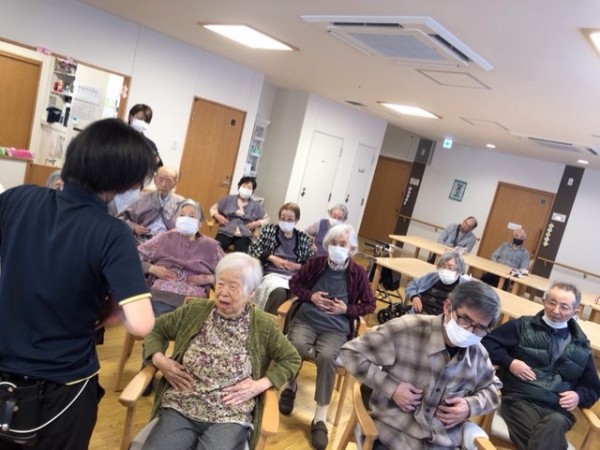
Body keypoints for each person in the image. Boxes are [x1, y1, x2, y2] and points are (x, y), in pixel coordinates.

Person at [0, 118, 156, 450]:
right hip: (62, 386)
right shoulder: (113, 233)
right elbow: (141, 324)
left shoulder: (17, 198)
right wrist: (115, 309)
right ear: (120, 180)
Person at [140, 252, 301, 450]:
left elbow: (291, 359)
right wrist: (159, 360)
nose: (223, 292)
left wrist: (260, 384)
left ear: (251, 292)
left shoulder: (263, 325)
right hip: (181, 404)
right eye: (220, 283)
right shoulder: (194, 310)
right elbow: (154, 329)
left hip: (230, 415)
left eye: (233, 287)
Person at [340, 280, 503, 450]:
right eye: (465, 320)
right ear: (448, 307)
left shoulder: (478, 354)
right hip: (394, 435)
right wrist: (392, 388)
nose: (470, 331)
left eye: (480, 328)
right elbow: (351, 353)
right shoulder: (407, 329)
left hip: (442, 443)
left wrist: (469, 406)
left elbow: (493, 391)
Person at [278, 224, 376, 450]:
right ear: (327, 245)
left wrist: (347, 309)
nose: (337, 248)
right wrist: (311, 296)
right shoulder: (316, 263)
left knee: (327, 356)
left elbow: (370, 304)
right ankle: (290, 386)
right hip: (307, 319)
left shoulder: (358, 273)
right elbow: (294, 283)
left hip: (336, 327)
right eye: (333, 243)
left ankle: (320, 417)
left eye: (343, 244)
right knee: (296, 345)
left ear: (352, 249)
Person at [482, 281, 600, 450]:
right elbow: (486, 342)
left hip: (557, 409)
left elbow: (593, 388)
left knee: (555, 422)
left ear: (575, 312)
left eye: (564, 307)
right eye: (552, 302)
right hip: (520, 400)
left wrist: (578, 396)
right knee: (548, 434)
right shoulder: (522, 326)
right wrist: (510, 362)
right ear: (544, 302)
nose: (556, 310)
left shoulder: (581, 345)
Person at [138, 198, 224, 317]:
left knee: (189, 327)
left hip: (193, 301)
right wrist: (151, 268)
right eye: (182, 215)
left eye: (192, 216)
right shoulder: (163, 238)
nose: (186, 219)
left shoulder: (211, 246)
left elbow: (232, 272)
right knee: (159, 325)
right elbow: (132, 257)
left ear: (200, 223)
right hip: (161, 295)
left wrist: (210, 278)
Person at [248, 202, 313, 314]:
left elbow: (311, 263)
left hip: (293, 277)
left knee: (295, 297)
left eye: (290, 219)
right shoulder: (270, 230)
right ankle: (267, 321)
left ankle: (284, 324)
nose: (286, 222)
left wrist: (296, 266)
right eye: (283, 219)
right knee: (278, 293)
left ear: (296, 220)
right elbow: (253, 248)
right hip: (272, 274)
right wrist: (272, 258)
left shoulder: (303, 238)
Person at [118, 166, 184, 244]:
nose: (163, 185)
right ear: (155, 180)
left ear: (175, 184)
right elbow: (120, 218)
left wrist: (176, 231)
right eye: (160, 179)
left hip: (168, 244)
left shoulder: (181, 203)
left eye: (169, 181)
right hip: (140, 241)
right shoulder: (140, 198)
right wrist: (133, 227)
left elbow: (187, 228)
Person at [209, 176, 269, 253]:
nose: (246, 189)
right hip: (226, 230)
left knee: (241, 255)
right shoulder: (228, 199)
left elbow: (267, 219)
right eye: (244, 186)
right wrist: (217, 216)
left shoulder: (255, 205)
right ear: (239, 187)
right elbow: (213, 209)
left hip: (244, 234)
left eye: (249, 188)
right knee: (215, 250)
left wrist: (257, 223)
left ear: (252, 191)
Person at [406, 251, 468, 315]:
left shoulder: (465, 287)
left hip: (441, 319)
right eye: (443, 267)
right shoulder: (432, 276)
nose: (445, 270)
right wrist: (414, 296)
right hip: (419, 314)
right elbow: (412, 284)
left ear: (459, 270)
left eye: (450, 268)